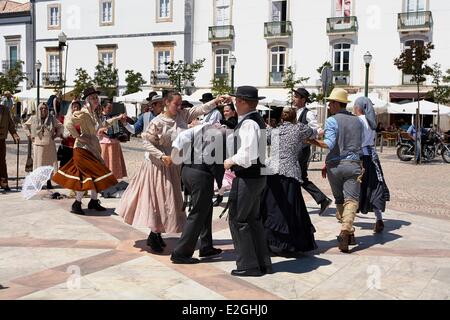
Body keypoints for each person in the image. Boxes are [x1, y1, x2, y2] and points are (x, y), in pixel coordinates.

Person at [116, 91, 227, 253]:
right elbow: (146, 143)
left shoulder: (182, 115)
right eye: (176, 103)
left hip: (175, 166)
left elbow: (200, 109)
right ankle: (154, 234)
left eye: (181, 103)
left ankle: (156, 233)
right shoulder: (157, 122)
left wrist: (216, 101)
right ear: (167, 103)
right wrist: (162, 156)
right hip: (158, 167)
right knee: (160, 201)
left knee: (170, 202)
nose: (179, 106)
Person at [224, 86, 272, 277]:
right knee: (252, 220)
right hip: (256, 176)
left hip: (248, 177)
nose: (235, 103)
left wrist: (230, 161)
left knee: (239, 219)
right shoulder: (255, 120)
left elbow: (248, 154)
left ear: (242, 101)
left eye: (236, 100)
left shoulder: (248, 124)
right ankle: (262, 263)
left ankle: (248, 265)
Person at [52, 87, 121, 215]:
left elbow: (103, 124)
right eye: (93, 98)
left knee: (94, 176)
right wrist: (77, 136)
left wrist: (117, 118)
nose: (96, 100)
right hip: (82, 149)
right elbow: (69, 123)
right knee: (86, 176)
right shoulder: (83, 112)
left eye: (96, 97)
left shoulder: (94, 114)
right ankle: (77, 203)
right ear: (87, 100)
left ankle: (93, 201)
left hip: (93, 149)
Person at [310, 88, 363, 253]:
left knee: (340, 199)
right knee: (352, 200)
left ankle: (347, 231)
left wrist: (311, 141)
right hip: (353, 164)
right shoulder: (358, 121)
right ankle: (347, 230)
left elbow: (329, 144)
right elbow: (364, 145)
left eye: (330, 102)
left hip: (334, 166)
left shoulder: (332, 120)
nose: (328, 105)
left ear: (335, 103)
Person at [262, 107, 320, 254]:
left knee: (273, 207)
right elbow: (315, 131)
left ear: (282, 118)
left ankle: (272, 242)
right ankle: (291, 244)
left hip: (272, 171)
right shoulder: (300, 128)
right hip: (290, 172)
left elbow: (263, 138)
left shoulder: (274, 131)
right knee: (292, 208)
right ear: (295, 117)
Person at [170, 122, 228, 264]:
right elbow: (217, 164)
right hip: (200, 175)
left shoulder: (200, 131)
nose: (222, 126)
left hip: (187, 171)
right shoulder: (220, 136)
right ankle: (180, 253)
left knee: (205, 209)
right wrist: (220, 186)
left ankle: (206, 246)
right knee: (198, 213)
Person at [293, 87, 332, 215]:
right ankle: (322, 200)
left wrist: (308, 137)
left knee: (296, 177)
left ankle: (319, 200)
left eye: (296, 96)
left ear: (303, 99)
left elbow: (317, 130)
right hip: (297, 149)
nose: (294, 98)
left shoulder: (308, 113)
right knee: (299, 177)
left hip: (302, 150)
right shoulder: (296, 112)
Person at [354, 97, 390, 233]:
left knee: (354, 187)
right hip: (372, 157)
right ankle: (378, 218)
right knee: (374, 187)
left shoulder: (358, 120)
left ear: (358, 107)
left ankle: (347, 221)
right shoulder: (371, 121)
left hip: (360, 158)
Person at [24, 103, 64, 189]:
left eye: (45, 108)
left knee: (49, 164)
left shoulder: (52, 118)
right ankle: (39, 182)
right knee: (39, 164)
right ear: (38, 109)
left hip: (49, 144)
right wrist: (30, 135)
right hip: (38, 144)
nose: (43, 110)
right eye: (41, 108)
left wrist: (56, 135)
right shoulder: (34, 118)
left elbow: (61, 126)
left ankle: (49, 181)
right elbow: (25, 126)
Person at [213, 103, 238, 206]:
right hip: (224, 152)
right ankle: (220, 197)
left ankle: (228, 198)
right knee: (222, 176)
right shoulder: (225, 123)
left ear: (233, 111)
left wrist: (220, 122)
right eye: (224, 111)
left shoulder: (235, 121)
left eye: (227, 111)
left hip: (233, 153)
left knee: (230, 177)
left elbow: (233, 125)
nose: (225, 113)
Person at [99, 101, 128, 180]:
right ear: (103, 108)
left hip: (114, 142)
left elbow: (116, 129)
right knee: (105, 162)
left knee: (114, 162)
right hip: (104, 142)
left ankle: (113, 178)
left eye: (111, 108)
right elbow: (99, 128)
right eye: (108, 108)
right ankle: (104, 179)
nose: (110, 109)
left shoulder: (113, 116)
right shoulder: (100, 117)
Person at [0, 101, 20, 192]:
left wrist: (15, 135)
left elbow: (10, 125)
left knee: (2, 162)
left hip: (1, 140)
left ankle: (3, 183)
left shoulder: (5, 109)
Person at [59, 101, 82, 168]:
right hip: (66, 145)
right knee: (64, 165)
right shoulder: (64, 118)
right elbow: (59, 129)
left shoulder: (82, 119)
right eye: (74, 107)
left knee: (75, 165)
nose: (76, 109)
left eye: (78, 107)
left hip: (77, 145)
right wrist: (61, 136)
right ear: (71, 108)